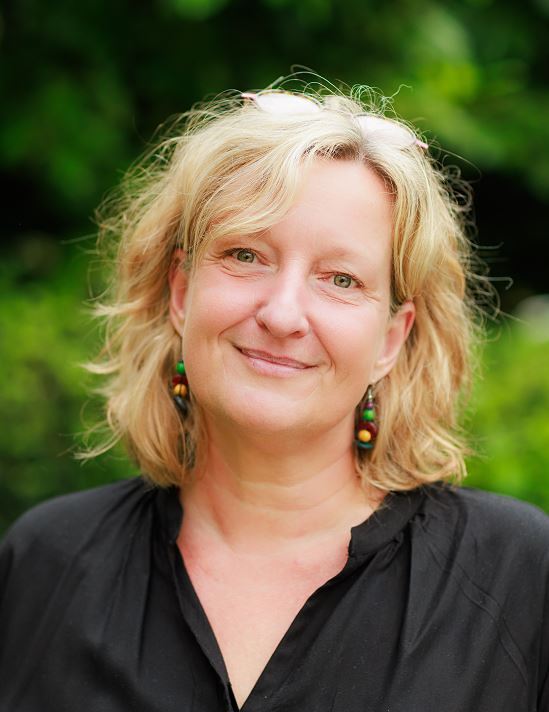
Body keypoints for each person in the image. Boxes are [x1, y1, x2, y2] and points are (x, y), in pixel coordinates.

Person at [1, 78, 548, 712]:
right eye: (246, 255)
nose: (283, 314)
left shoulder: (518, 579)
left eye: (340, 279)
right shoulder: (45, 564)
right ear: (181, 292)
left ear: (391, 339)